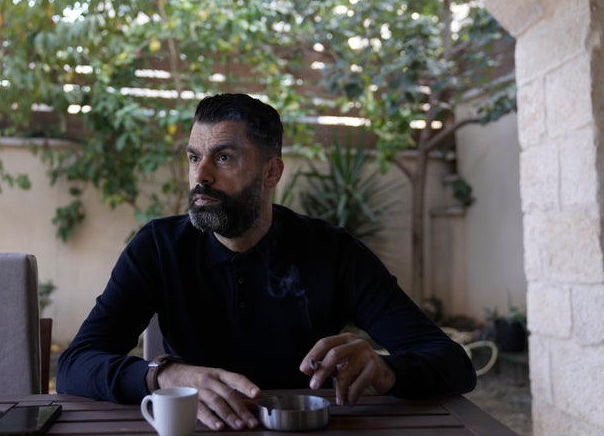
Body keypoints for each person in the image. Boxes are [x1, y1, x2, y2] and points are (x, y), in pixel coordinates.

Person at [56, 93, 476, 431]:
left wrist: (388, 370)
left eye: (223, 158)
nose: (201, 175)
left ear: (271, 172)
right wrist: (165, 376)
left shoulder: (332, 252)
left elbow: (452, 363)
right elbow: (76, 365)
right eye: (192, 157)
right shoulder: (159, 247)